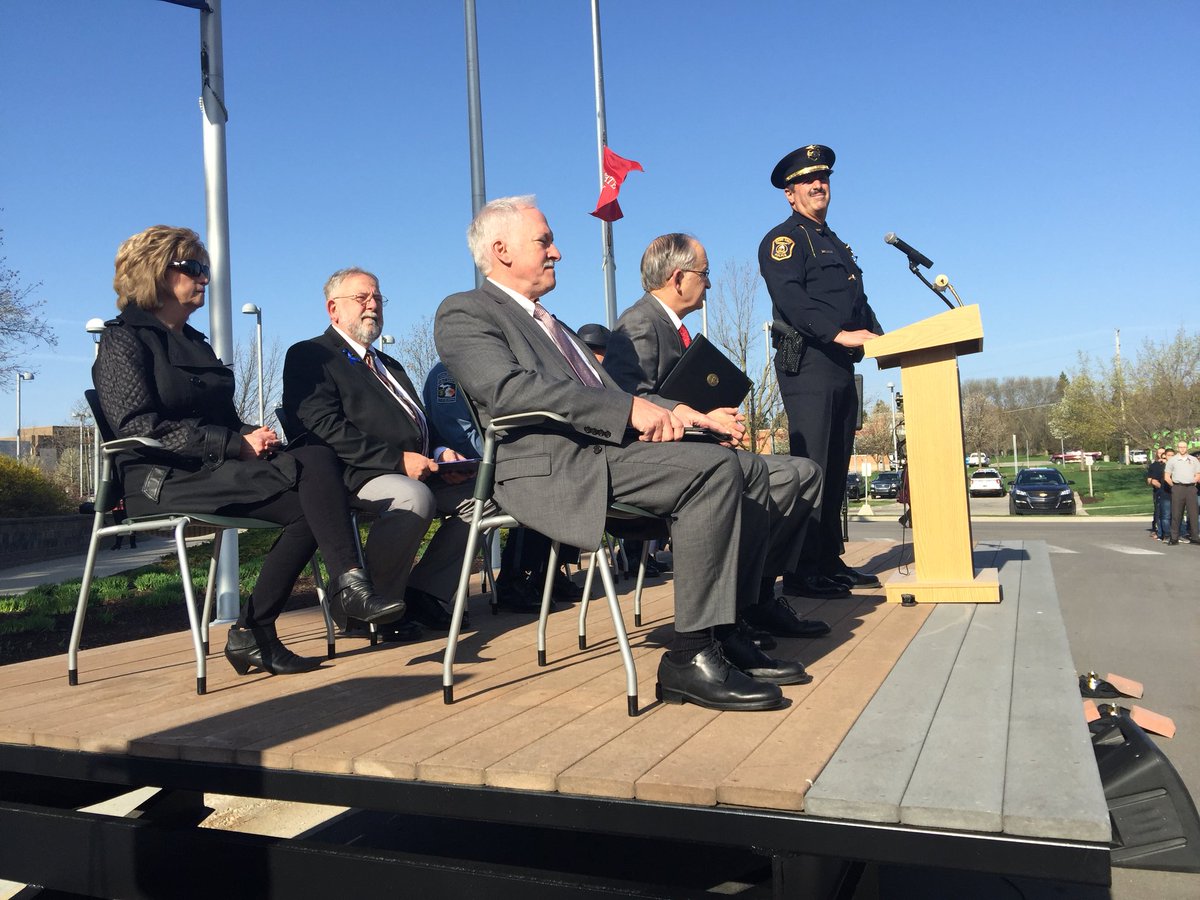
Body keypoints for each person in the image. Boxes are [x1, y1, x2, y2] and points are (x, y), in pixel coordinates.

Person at [435, 195, 810, 712]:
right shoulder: (465, 312)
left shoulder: (553, 324)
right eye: (545, 241)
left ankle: (727, 629)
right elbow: (507, 391)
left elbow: (616, 393)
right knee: (718, 470)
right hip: (551, 466)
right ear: (501, 250)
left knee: (747, 466)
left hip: (604, 453)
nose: (558, 252)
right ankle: (689, 657)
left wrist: (688, 415)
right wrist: (627, 410)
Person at [94, 226, 404, 676]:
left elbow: (220, 416)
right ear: (158, 272)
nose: (205, 278)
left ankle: (280, 618)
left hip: (213, 466)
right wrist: (232, 443)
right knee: (318, 497)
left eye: (206, 270)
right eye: (195, 268)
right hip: (160, 478)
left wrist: (252, 435)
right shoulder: (124, 339)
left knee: (315, 468)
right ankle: (275, 622)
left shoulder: (194, 342)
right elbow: (138, 427)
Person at [604, 233, 830, 639]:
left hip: (696, 448)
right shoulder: (639, 324)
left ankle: (757, 595)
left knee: (806, 473)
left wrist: (714, 425)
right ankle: (738, 610)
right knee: (773, 476)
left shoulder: (671, 327)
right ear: (677, 278)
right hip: (660, 462)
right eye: (704, 274)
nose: (708, 283)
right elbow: (630, 399)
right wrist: (702, 420)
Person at [282, 268, 476, 640]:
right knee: (413, 497)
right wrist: (397, 461)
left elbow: (419, 423)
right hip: (353, 475)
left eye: (377, 298)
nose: (373, 305)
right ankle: (370, 610)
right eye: (362, 298)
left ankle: (424, 594)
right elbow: (320, 426)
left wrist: (441, 451)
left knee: (483, 497)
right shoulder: (312, 356)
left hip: (416, 467)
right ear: (333, 309)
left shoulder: (391, 365)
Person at [758, 144, 883, 596]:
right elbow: (793, 299)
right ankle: (799, 571)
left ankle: (827, 559)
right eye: (807, 182)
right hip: (808, 362)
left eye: (824, 178)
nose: (818, 185)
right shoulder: (783, 240)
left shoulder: (836, 242)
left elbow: (859, 303)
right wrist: (837, 335)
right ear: (790, 194)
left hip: (841, 365)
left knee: (836, 467)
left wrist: (886, 341)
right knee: (811, 467)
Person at [1164, 441, 1200, 546]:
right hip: (1178, 487)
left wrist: (1194, 481)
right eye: (1180, 447)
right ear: (1177, 448)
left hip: (1191, 488)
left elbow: (1198, 474)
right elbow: (1167, 476)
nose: (1182, 449)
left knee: (1193, 513)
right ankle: (1174, 538)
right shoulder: (1172, 460)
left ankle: (1195, 537)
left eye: (1184, 447)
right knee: (1176, 513)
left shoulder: (1193, 460)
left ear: (1187, 448)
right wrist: (1174, 486)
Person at [1146, 448, 1169, 541]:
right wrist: (1162, 487)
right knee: (1159, 511)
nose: (1161, 455)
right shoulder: (1155, 466)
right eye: (1159, 453)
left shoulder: (1171, 465)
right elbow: (1150, 480)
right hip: (1159, 492)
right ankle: (1157, 530)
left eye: (1163, 453)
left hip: (1172, 492)